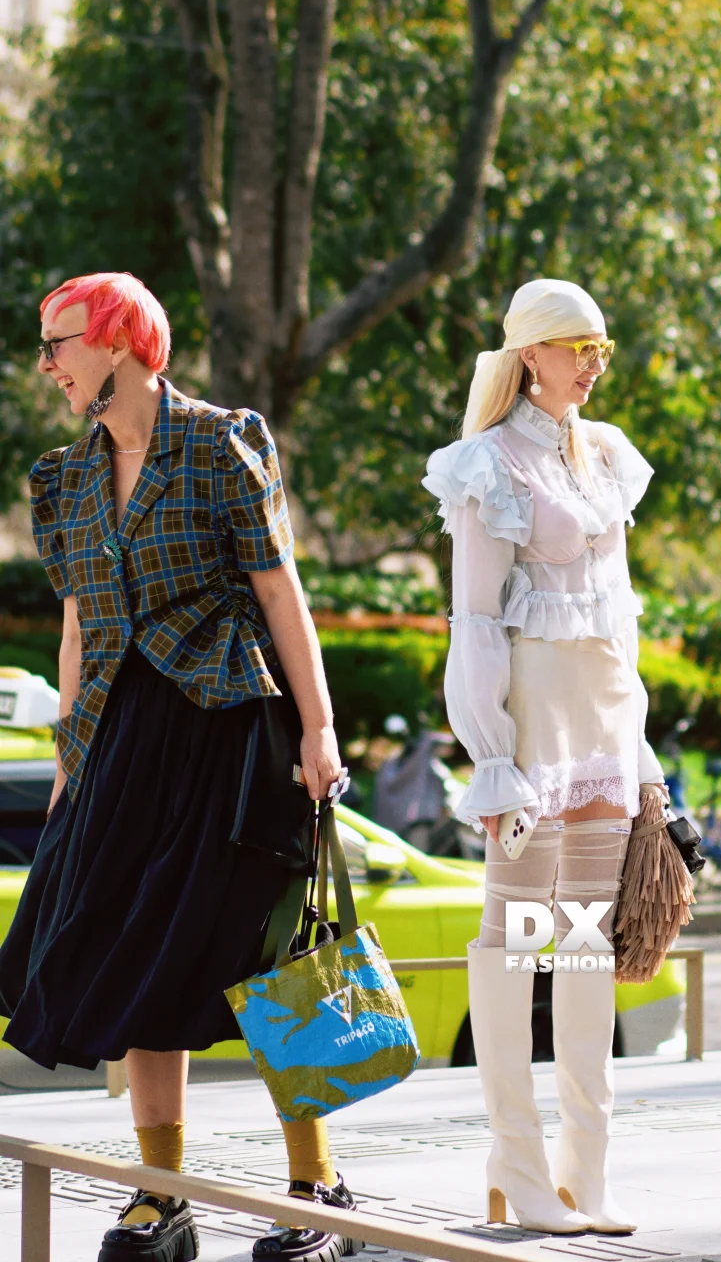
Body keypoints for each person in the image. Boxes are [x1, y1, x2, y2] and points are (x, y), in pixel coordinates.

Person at [0, 274, 357, 1262]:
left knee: (269, 961)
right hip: (123, 742)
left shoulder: (220, 441)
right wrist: (71, 760)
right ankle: (163, 1197)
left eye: (59, 341)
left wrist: (320, 731)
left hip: (233, 729)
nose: (47, 363)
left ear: (118, 341)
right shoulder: (65, 477)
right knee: (135, 959)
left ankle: (316, 1188)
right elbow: (79, 629)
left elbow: (280, 594)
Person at [421, 279, 662, 1236]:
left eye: (602, 346)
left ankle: (584, 1176)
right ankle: (517, 1168)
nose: (595, 363)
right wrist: (493, 756)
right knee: (518, 943)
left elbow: (622, 623)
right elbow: (475, 620)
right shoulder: (487, 465)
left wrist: (640, 752)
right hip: (529, 732)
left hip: (602, 728)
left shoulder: (604, 454)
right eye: (578, 346)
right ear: (532, 354)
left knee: (587, 943)